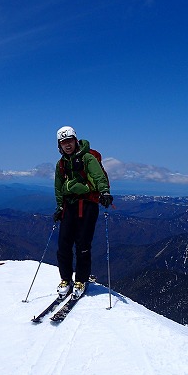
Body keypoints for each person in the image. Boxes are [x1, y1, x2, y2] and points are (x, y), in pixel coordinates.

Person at [53, 126, 113, 298]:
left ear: (75, 140)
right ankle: (65, 279)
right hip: (69, 206)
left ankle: (80, 279)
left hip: (87, 206)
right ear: (59, 145)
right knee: (63, 245)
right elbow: (58, 187)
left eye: (69, 141)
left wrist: (104, 192)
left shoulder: (87, 158)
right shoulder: (61, 164)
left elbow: (98, 175)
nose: (67, 145)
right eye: (63, 142)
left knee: (83, 245)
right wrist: (60, 207)